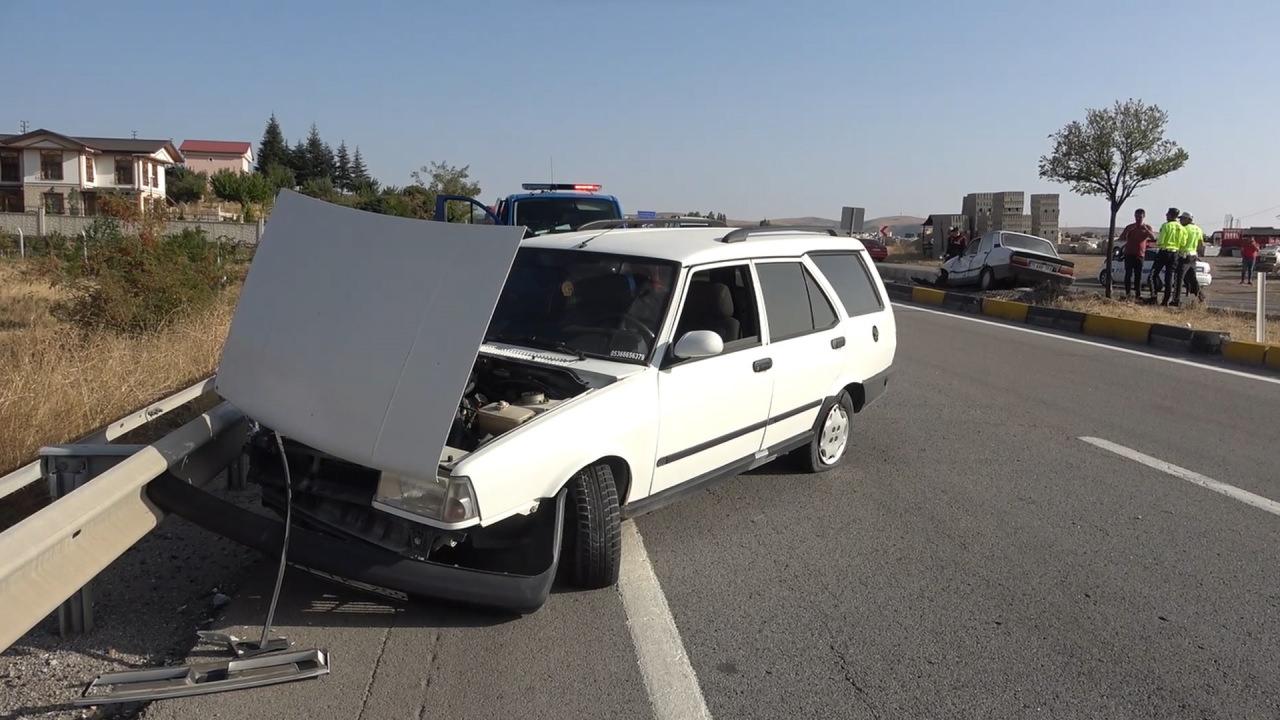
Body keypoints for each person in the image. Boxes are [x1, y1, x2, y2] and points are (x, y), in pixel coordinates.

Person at [1118, 208, 1155, 299]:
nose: (1138, 219)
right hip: (1129, 254)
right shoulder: (1130, 227)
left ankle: (1138, 294)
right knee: (1128, 274)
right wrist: (1128, 232)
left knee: (1138, 275)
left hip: (1140, 255)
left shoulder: (1147, 228)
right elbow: (1121, 238)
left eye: (1140, 217)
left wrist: (1146, 229)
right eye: (1136, 216)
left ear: (1144, 217)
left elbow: (1153, 238)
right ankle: (1128, 293)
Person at [1151, 207, 1184, 306]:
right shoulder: (1181, 228)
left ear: (1171, 215)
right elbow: (1183, 242)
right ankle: (1165, 301)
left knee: (1152, 275)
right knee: (1169, 278)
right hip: (1175, 254)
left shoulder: (1166, 226)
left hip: (1164, 252)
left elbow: (1160, 241)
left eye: (1168, 214)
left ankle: (1153, 297)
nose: (1166, 215)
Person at [1177, 211, 1205, 302]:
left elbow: (1181, 242)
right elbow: (1201, 244)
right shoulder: (1198, 229)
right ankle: (1200, 295)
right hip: (1193, 256)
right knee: (1192, 278)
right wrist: (1199, 254)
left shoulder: (1184, 229)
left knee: (1179, 277)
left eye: (1182, 219)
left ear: (1188, 219)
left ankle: (1176, 299)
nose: (1180, 220)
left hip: (1184, 255)